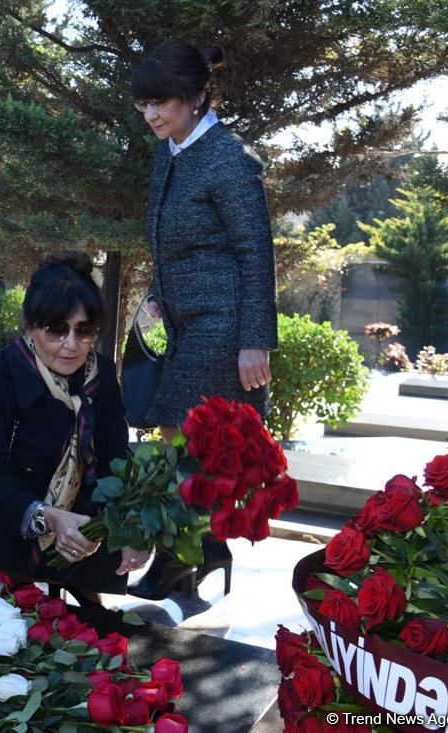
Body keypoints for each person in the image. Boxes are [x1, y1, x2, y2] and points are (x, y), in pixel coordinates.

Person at [128, 40, 278, 600]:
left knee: (177, 437)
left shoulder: (228, 157)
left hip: (223, 322)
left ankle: (177, 562)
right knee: (185, 441)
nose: (150, 115)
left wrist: (256, 340)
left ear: (194, 97)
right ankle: (209, 552)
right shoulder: (170, 152)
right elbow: (172, 240)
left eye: (159, 103)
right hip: (185, 320)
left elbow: (255, 251)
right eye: (142, 104)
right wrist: (158, 296)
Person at [0, 252, 149, 608]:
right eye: (56, 329)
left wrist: (131, 527)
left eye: (84, 330)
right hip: (6, 520)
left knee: (93, 633)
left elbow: (115, 459)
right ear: (30, 326)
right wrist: (49, 518)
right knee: (6, 631)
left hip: (83, 527)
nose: (71, 345)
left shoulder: (101, 373)